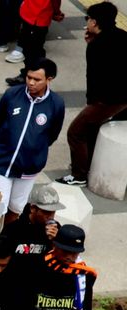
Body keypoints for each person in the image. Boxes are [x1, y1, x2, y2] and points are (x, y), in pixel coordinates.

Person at [59, 3, 127, 186]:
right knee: (92, 128)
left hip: (107, 100)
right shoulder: (123, 36)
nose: (87, 22)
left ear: (94, 22)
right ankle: (88, 163)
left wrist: (91, 104)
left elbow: (94, 77)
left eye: (87, 19)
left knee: (75, 132)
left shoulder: (97, 46)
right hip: (122, 98)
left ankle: (79, 175)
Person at [0, 59, 63, 219]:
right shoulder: (11, 95)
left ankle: (6, 239)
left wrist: (35, 150)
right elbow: (0, 122)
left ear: (49, 79)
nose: (31, 82)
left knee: (16, 208)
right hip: (3, 162)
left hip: (29, 168)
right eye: (29, 77)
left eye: (37, 79)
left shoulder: (57, 104)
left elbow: (52, 134)